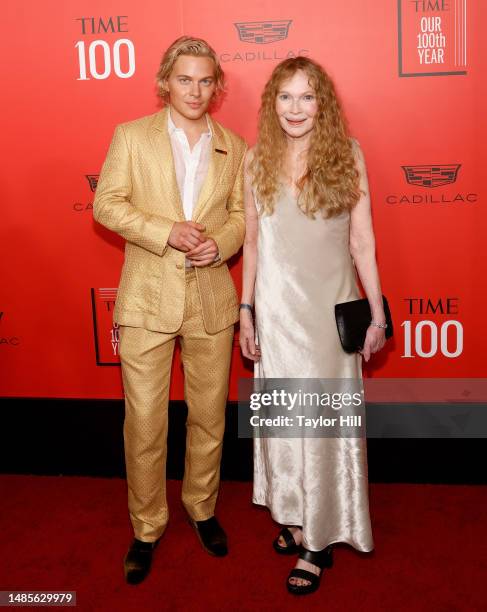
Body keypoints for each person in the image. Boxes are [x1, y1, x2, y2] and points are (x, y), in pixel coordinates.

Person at [93, 36, 247, 584]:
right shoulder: (131, 137)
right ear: (165, 82)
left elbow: (239, 216)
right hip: (145, 301)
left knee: (209, 417)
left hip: (211, 300)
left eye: (206, 81)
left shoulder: (235, 146)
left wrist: (221, 244)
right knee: (146, 421)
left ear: (217, 87)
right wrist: (166, 232)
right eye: (185, 79)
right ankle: (146, 525)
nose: (196, 90)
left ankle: (202, 509)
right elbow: (105, 203)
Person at [239, 56, 387, 595]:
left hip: (328, 315)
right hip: (276, 316)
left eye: (307, 97)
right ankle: (296, 511)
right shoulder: (255, 159)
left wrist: (379, 309)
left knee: (321, 425)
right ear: (271, 103)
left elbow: (362, 241)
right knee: (286, 423)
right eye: (285, 97)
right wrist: (246, 310)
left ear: (321, 103)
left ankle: (318, 542)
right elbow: (253, 243)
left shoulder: (347, 156)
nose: (295, 108)